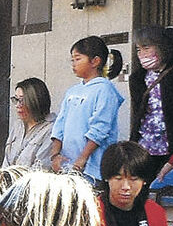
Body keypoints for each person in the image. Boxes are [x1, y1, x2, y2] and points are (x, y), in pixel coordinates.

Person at [50, 36, 124, 182]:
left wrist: (82, 159)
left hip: (92, 168)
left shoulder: (105, 89)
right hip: (67, 166)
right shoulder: (72, 91)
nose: (73, 64)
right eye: (72, 60)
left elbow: (100, 128)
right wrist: (55, 155)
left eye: (77, 59)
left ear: (95, 61)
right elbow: (60, 125)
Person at [129, 26, 173, 184]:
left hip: (171, 148)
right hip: (144, 147)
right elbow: (138, 116)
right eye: (139, 49)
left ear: (162, 47)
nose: (142, 54)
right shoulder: (137, 78)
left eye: (146, 47)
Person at [3, 78, 55, 168]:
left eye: (22, 100)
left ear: (36, 101)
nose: (18, 106)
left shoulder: (51, 129)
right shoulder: (18, 125)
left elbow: (41, 168)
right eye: (16, 99)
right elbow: (6, 161)